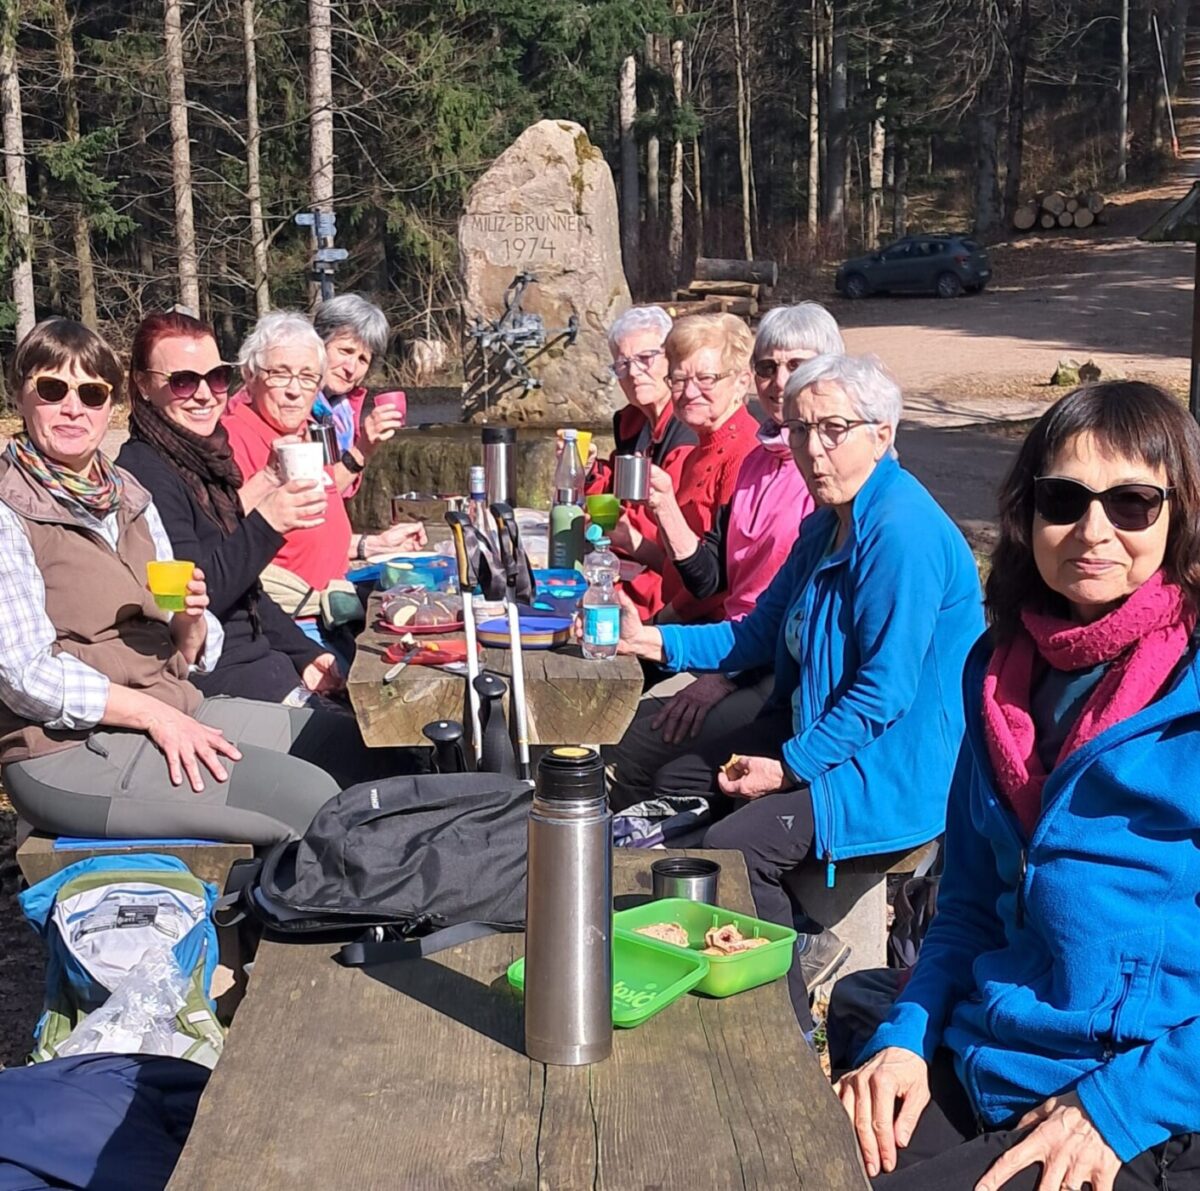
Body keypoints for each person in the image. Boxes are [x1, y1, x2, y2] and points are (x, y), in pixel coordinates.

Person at [835, 382, 1200, 1191]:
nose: (1094, 530)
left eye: (1134, 502)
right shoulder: (1000, 673)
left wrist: (1117, 1105)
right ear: (1026, 514)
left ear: (1179, 515)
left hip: (1149, 1089)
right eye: (1064, 499)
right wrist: (906, 1035)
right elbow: (966, 902)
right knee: (807, 1150)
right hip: (1000, 1051)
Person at [608, 353, 983, 1029]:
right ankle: (740, 944)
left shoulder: (900, 532)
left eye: (834, 429)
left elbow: (882, 693)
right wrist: (653, 642)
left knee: (736, 851)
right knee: (678, 771)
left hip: (886, 769)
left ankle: (790, 1010)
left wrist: (788, 767)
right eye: (802, 430)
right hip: (821, 736)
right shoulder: (825, 523)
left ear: (884, 431)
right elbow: (756, 635)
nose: (814, 448)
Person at [0, 319, 412, 847]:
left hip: (176, 704)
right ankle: (314, 923)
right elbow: (23, 674)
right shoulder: (13, 506)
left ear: (112, 401)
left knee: (361, 751)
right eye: (53, 390)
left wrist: (190, 617)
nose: (74, 408)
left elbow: (194, 647)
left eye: (91, 392)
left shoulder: (126, 493)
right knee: (311, 797)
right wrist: (151, 714)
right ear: (21, 396)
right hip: (66, 749)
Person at [607, 303, 844, 809]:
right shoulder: (758, 458)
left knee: (629, 746)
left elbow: (717, 592)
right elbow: (723, 576)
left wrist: (714, 671)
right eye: (769, 368)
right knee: (614, 719)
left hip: (778, 673)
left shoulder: (825, 474)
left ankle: (631, 869)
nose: (781, 382)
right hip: (740, 649)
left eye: (706, 377)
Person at [118, 310, 342, 703]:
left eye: (216, 377)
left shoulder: (203, 460)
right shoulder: (144, 473)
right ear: (143, 385)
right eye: (184, 381)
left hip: (267, 662)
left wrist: (305, 653)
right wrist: (267, 523)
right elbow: (195, 601)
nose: (204, 394)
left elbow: (248, 591)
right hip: (222, 685)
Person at [222, 312, 425, 634]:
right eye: (280, 374)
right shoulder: (232, 437)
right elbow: (220, 537)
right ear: (250, 375)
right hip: (291, 620)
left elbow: (310, 532)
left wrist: (374, 545)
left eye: (306, 378)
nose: (294, 390)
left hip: (334, 600)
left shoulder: (304, 431)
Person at [611, 311, 761, 626]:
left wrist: (655, 628)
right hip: (680, 625)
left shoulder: (744, 456)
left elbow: (712, 585)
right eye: (679, 379)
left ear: (742, 381)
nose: (690, 392)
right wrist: (627, 539)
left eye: (706, 379)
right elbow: (676, 563)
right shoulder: (701, 446)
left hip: (720, 640)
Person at [583, 305, 697, 620]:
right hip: (624, 575)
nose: (633, 372)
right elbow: (611, 501)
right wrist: (587, 471)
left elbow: (674, 556)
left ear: (671, 360)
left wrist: (624, 536)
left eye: (645, 359)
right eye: (623, 364)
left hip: (665, 603)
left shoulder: (687, 434)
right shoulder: (634, 422)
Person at [311, 293, 405, 499]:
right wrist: (362, 449)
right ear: (318, 345)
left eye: (363, 359)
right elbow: (318, 497)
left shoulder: (342, 411)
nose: (351, 368)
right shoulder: (291, 403)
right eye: (345, 351)